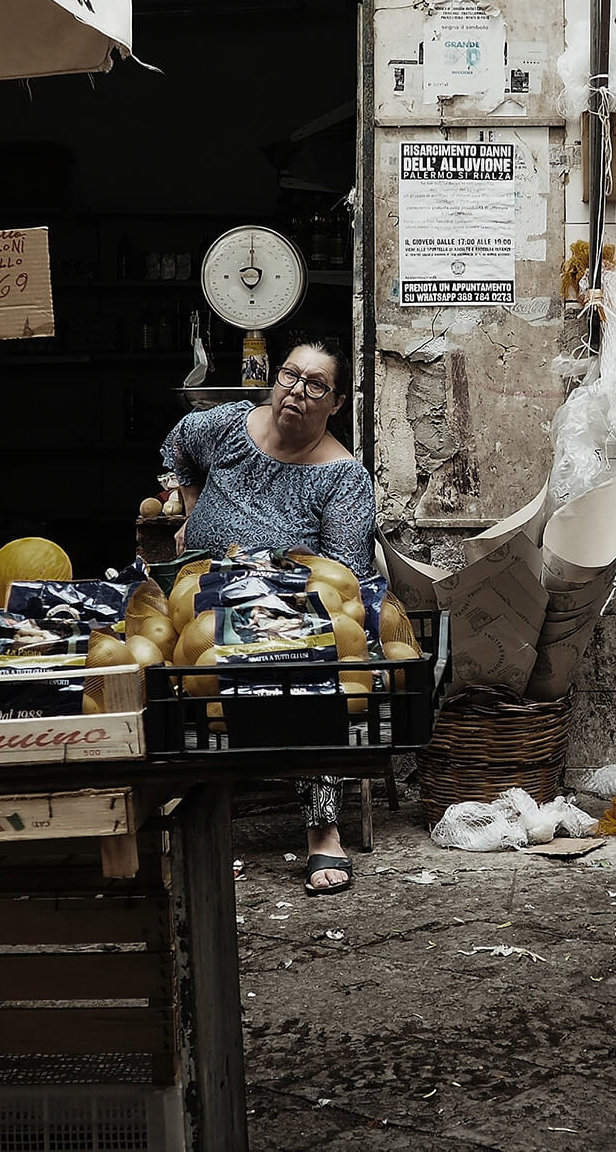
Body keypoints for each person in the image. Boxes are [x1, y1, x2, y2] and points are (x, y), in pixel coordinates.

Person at [162, 337, 375, 896]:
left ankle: (323, 830)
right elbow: (177, 445)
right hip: (199, 593)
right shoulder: (229, 424)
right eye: (289, 375)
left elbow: (344, 575)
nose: (296, 392)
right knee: (154, 664)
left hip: (284, 608)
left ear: (336, 403)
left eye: (316, 385)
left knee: (315, 667)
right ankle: (171, 816)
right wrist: (189, 506)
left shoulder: (344, 477)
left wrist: (281, 587)